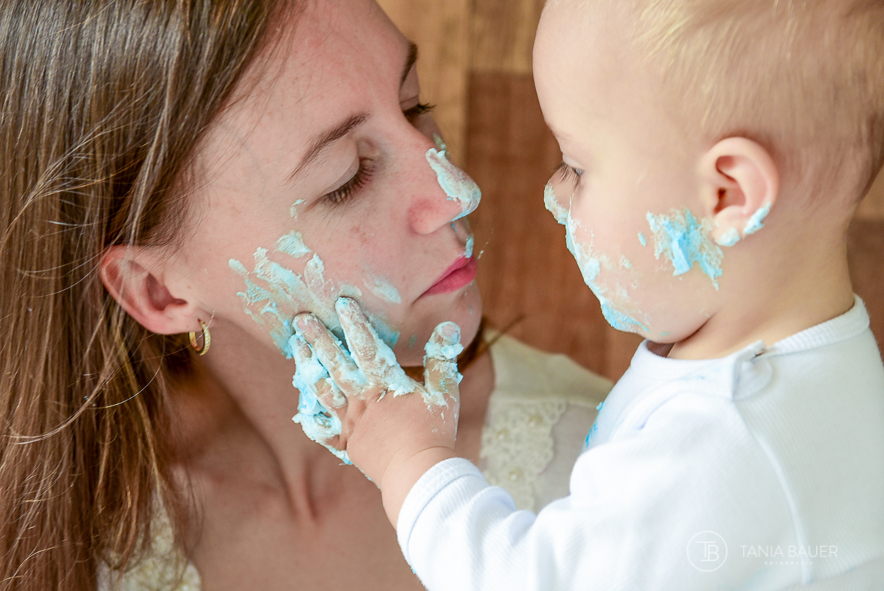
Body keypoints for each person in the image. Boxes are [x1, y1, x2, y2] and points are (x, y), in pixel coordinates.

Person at [0, 1, 612, 590]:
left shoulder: (608, 473)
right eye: (347, 179)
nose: (458, 194)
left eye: (414, 104)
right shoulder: (55, 536)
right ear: (159, 292)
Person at [293, 0, 884, 589]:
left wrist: (410, 461)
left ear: (728, 196)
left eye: (576, 166)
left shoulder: (728, 441)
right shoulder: (808, 374)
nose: (554, 194)